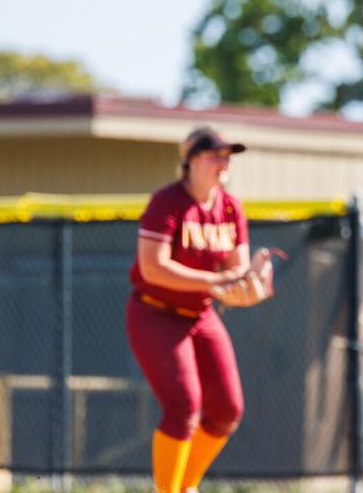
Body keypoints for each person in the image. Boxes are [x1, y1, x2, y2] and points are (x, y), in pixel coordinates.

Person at [125, 126, 261, 493]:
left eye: (228, 155)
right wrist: (215, 283)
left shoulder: (230, 206)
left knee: (226, 410)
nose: (225, 162)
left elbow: (235, 273)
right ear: (192, 161)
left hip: (200, 315)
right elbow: (153, 267)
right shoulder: (168, 201)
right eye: (216, 154)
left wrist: (251, 286)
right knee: (184, 407)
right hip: (155, 313)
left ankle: (185, 487)